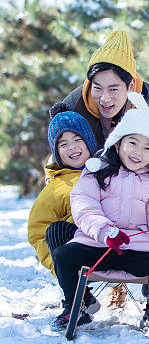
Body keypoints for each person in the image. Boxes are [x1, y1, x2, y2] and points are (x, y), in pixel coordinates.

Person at [61, 30, 149, 305]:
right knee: (59, 232)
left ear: (129, 87)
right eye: (97, 88)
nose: (104, 98)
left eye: (114, 89)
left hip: (141, 217)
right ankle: (79, 300)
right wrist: (98, 224)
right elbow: (60, 150)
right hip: (92, 195)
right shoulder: (75, 104)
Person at [50, 91, 149, 334]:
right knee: (64, 257)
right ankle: (77, 305)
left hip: (137, 247)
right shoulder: (96, 171)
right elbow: (84, 206)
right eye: (133, 142)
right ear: (118, 142)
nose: (138, 152)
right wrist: (106, 231)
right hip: (98, 243)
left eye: (148, 148)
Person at [27, 104, 102, 314]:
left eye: (78, 140)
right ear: (56, 152)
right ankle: (78, 300)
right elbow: (37, 230)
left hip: (114, 245)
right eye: (63, 144)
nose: (72, 147)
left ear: (89, 142)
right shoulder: (57, 188)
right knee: (57, 229)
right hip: (78, 253)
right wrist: (60, 266)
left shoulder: (108, 174)